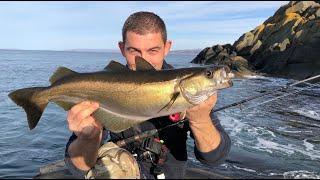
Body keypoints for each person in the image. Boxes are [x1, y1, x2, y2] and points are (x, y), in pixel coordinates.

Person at [64, 11, 231, 179]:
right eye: (134, 51)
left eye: (153, 50)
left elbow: (214, 158)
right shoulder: (104, 88)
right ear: (122, 49)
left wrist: (200, 119)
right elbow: (77, 168)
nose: (143, 59)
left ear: (167, 47)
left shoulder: (193, 93)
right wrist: (88, 139)